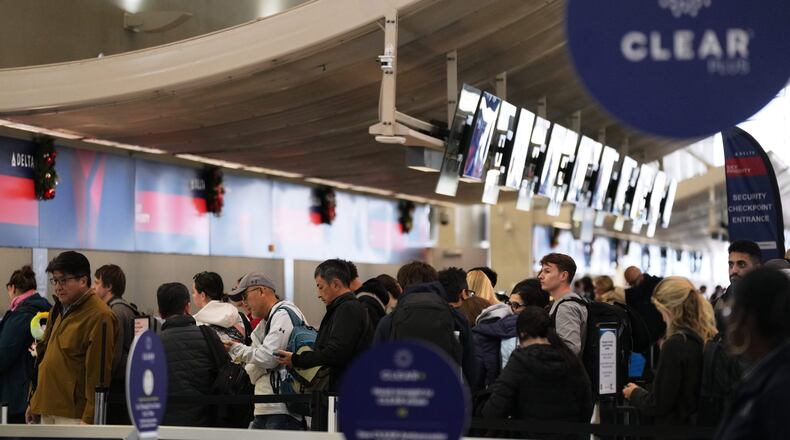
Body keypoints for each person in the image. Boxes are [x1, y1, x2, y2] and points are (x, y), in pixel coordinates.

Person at [27, 251, 117, 425]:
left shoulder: (100, 315)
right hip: (47, 405)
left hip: (73, 414)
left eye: (63, 280)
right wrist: (34, 400)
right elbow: (44, 356)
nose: (58, 286)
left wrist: (90, 417)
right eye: (55, 280)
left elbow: (98, 373)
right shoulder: (59, 309)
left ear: (83, 280)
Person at [481, 306, 593, 439]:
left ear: (522, 333)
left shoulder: (520, 361)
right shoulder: (571, 359)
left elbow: (493, 410)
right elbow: (587, 407)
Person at [622, 276, 717, 426]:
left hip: (674, 428)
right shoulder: (705, 336)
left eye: (660, 311)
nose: (662, 318)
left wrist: (634, 393)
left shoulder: (675, 345)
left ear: (670, 309)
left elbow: (658, 403)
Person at [377, 262, 479, 390]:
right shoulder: (456, 318)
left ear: (401, 287)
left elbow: (377, 369)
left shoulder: (389, 321)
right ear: (435, 283)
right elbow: (471, 370)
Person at [225, 272, 308, 430]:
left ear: (261, 291)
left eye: (244, 296)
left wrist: (235, 348)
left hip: (282, 409)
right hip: (265, 406)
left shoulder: (284, 314)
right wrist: (261, 362)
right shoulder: (264, 323)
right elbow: (252, 368)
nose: (243, 304)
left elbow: (268, 357)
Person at [276, 259, 373, 392]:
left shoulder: (348, 309)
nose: (318, 294)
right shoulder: (343, 308)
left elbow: (335, 352)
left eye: (320, 287)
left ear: (335, 284)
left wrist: (297, 359)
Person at [717, 267, 790, 438]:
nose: (728, 321)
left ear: (746, 318)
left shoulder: (779, 390)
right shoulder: (766, 374)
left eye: (730, 311)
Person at [157, 282, 216, 427]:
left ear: (160, 311)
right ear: (187, 307)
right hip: (204, 423)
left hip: (165, 426)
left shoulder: (153, 344)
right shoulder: (208, 336)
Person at [473, 279, 550, 388]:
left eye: (516, 305)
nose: (510, 309)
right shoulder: (547, 334)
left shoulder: (484, 329)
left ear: (535, 308)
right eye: (509, 303)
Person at [0, 266, 50, 424]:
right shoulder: (45, 309)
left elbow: (4, 353)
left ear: (12, 288)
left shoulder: (22, 314)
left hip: (16, 396)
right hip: (35, 390)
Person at [93, 264, 135, 424]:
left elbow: (112, 356)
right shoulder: (126, 309)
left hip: (116, 389)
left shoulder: (114, 313)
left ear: (109, 286)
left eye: (97, 283)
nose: (93, 287)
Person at [539, 253, 587, 356]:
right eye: (541, 271)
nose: (540, 276)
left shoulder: (566, 307)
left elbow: (570, 349)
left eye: (547, 271)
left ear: (563, 276)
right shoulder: (568, 301)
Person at [712, 240, 763, 331]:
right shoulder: (715, 307)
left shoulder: (771, 306)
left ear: (757, 269)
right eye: (731, 265)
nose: (734, 270)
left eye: (741, 264)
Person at [192, 271, 245, 343]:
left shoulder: (195, 324)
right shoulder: (241, 317)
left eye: (193, 292)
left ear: (202, 295)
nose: (193, 296)